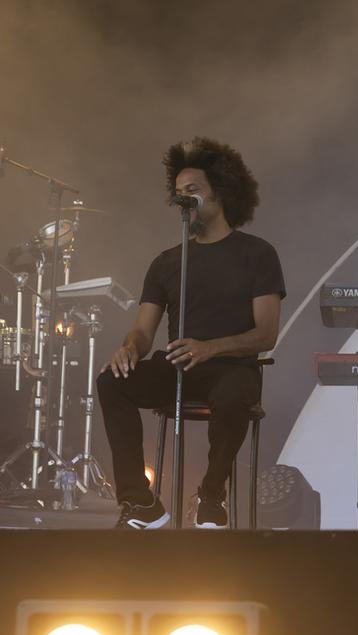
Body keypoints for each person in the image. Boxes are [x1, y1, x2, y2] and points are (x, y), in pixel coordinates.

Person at [98, 137, 285, 529]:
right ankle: (140, 502)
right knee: (112, 382)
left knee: (234, 394)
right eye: (178, 193)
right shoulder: (167, 262)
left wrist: (211, 348)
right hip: (178, 366)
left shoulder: (257, 254)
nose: (183, 199)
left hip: (233, 368)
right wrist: (129, 349)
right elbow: (143, 330)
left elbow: (266, 333)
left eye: (193, 191)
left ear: (221, 191)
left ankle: (211, 495)